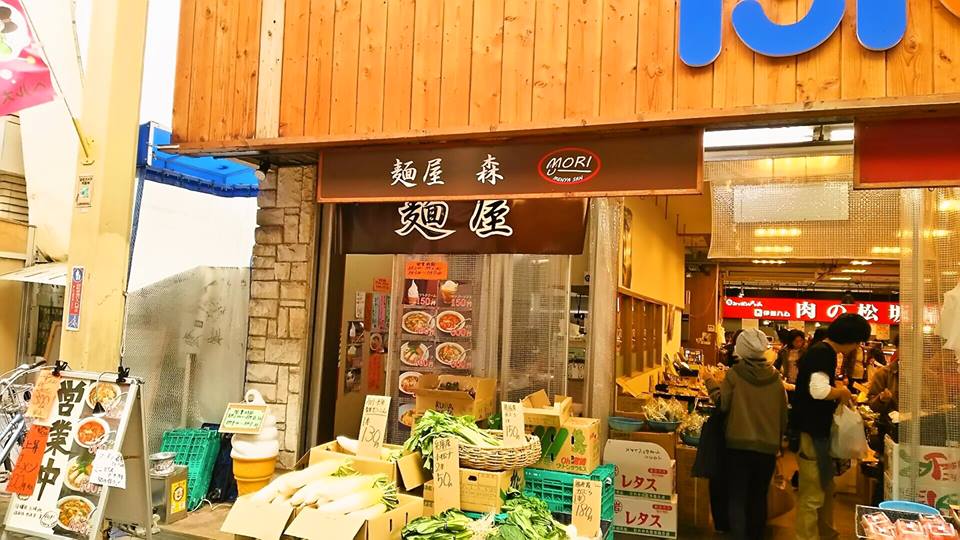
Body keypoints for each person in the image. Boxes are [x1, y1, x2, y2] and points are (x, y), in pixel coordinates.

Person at [794, 314, 872, 540]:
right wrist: (841, 392)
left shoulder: (822, 351)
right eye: (857, 341)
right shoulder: (823, 353)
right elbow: (817, 391)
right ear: (850, 339)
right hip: (813, 431)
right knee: (812, 495)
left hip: (815, 430)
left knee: (825, 488)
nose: (857, 347)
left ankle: (826, 533)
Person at [706, 328, 789, 540]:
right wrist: (779, 443)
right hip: (767, 448)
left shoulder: (735, 375)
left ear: (740, 348)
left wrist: (710, 382)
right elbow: (783, 415)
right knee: (758, 497)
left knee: (737, 497)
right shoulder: (776, 379)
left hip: (737, 446)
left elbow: (723, 404)